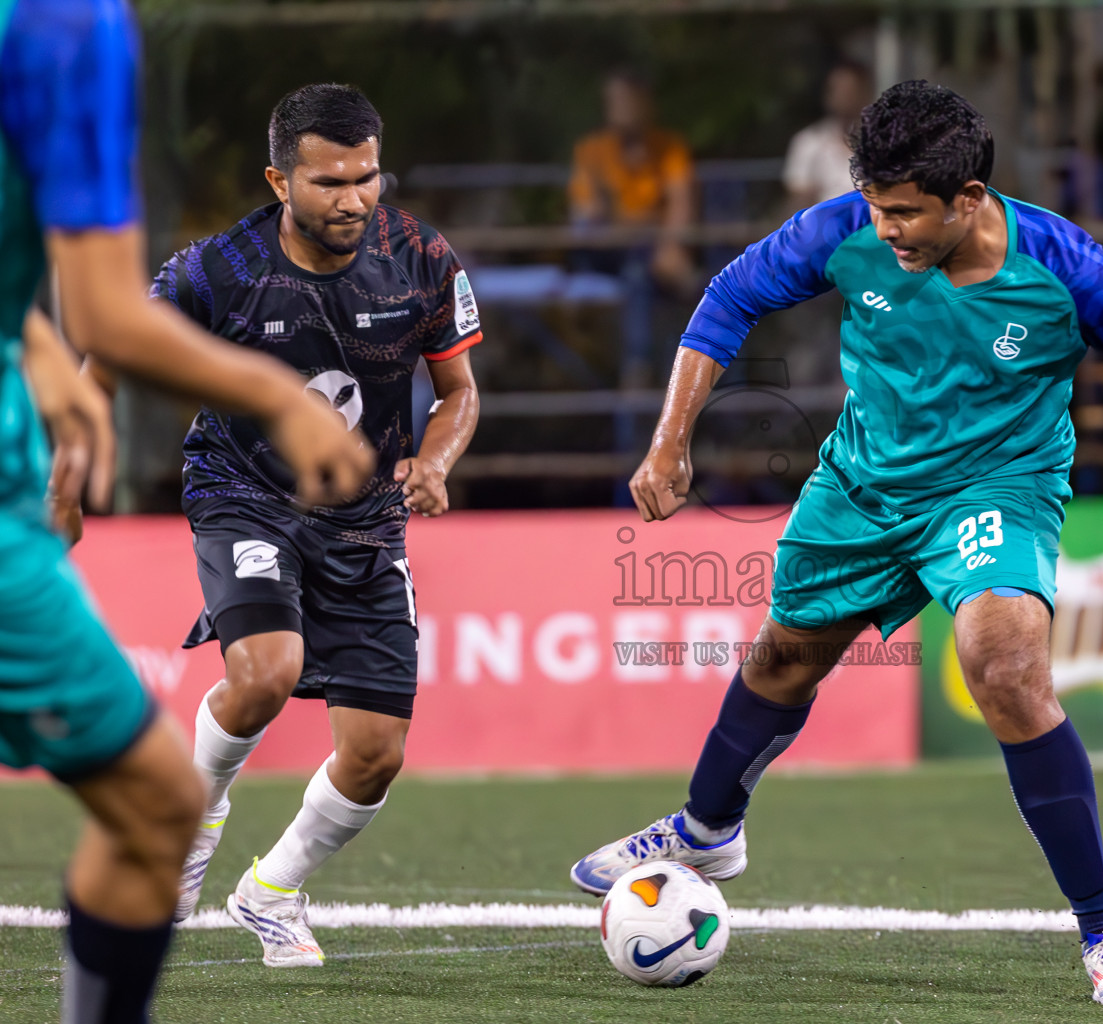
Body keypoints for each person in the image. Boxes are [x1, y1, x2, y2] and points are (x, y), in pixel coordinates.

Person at [570, 81, 1103, 1007]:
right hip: (861, 484)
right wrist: (669, 439)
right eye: (877, 206)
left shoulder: (1065, 268)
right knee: (781, 663)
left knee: (1005, 667)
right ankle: (707, 828)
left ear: (969, 198)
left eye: (905, 212)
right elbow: (729, 299)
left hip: (996, 487)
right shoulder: (846, 229)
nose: (885, 228)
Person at [0, 2, 372, 1021]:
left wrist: (32, 345)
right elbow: (112, 315)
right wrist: (275, 400)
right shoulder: (65, 27)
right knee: (159, 805)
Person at [101, 83, 482, 968]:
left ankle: (269, 891)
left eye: (368, 178)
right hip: (244, 490)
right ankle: (191, 818)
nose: (353, 199)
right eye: (329, 182)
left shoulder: (422, 258)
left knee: (376, 754)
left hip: (365, 520)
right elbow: (115, 342)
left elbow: (460, 394)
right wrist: (74, 458)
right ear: (279, 179)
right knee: (270, 669)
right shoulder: (215, 271)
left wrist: (433, 464)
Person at [568, 69, 696, 295]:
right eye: (614, 101)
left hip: (655, 246)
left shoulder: (669, 147)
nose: (620, 108)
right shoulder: (591, 151)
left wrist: (670, 245)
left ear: (646, 103)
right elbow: (588, 214)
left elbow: (681, 205)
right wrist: (649, 219)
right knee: (641, 270)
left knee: (653, 268)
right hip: (605, 250)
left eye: (627, 99)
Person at [782, 60, 874, 210]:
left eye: (850, 91)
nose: (844, 97)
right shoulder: (808, 142)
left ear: (865, 93)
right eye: (838, 90)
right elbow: (800, 201)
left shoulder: (888, 143)